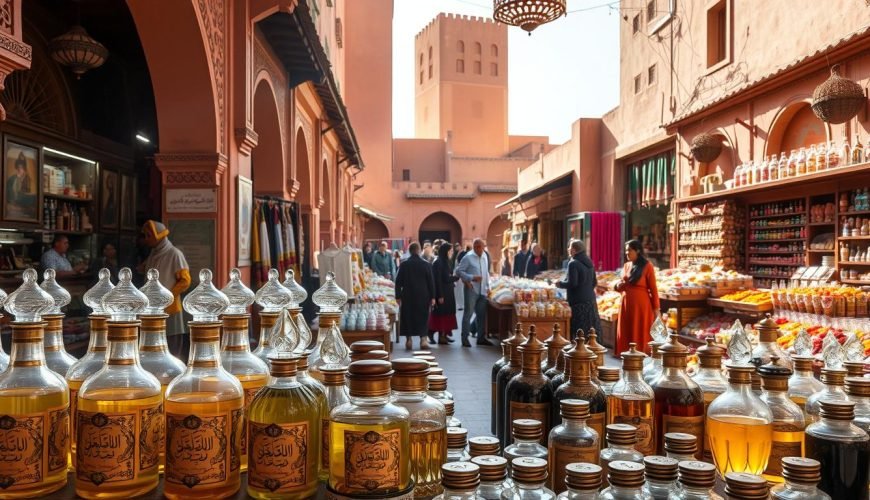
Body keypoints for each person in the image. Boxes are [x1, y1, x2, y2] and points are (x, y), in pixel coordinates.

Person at [138, 220, 192, 356]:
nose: (146, 239)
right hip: (151, 309)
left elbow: (185, 281)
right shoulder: (153, 253)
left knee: (172, 346)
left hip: (170, 308)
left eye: (148, 235)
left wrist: (167, 297)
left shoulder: (174, 254)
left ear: (158, 236)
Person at [615, 239, 660, 355]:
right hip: (626, 304)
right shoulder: (626, 266)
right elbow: (621, 284)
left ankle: (640, 354)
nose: (627, 253)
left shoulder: (647, 266)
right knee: (627, 330)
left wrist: (656, 309)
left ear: (638, 251)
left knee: (639, 329)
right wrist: (617, 286)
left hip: (641, 305)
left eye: (629, 250)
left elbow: (653, 289)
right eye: (626, 251)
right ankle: (625, 353)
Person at [554, 240, 602, 339]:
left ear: (574, 250)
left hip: (578, 303)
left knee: (579, 331)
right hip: (590, 301)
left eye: (570, 248)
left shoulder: (573, 263)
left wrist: (560, 284)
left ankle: (580, 352)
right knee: (591, 330)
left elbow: (573, 283)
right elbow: (594, 282)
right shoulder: (589, 262)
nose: (568, 249)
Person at [395, 242, 435, 350]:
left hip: (408, 295)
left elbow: (398, 282)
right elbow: (431, 282)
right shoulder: (426, 264)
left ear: (409, 251)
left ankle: (409, 340)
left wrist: (398, 296)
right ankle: (423, 340)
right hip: (423, 295)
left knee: (408, 316)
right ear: (419, 250)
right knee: (423, 316)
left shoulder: (404, 264)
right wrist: (433, 297)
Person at [454, 238, 493, 347]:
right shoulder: (468, 257)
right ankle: (464, 338)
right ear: (474, 247)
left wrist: (488, 286)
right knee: (468, 314)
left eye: (481, 247)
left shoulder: (485, 256)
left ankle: (481, 338)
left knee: (481, 315)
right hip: (472, 289)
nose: (479, 249)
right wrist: (471, 277)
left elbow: (486, 272)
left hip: (483, 291)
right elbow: (459, 271)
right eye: (477, 247)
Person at [429, 242, 460, 344]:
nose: (451, 252)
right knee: (441, 316)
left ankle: (444, 335)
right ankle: (434, 334)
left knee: (446, 314)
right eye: (450, 251)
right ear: (445, 251)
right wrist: (440, 295)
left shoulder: (444, 261)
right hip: (443, 294)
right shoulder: (438, 262)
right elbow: (439, 279)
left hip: (448, 293)